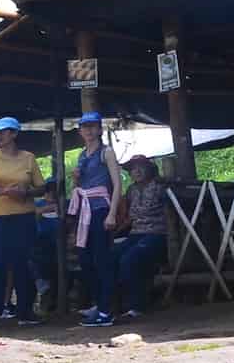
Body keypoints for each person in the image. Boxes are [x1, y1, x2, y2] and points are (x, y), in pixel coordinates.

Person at [0, 117, 45, 327]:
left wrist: (26, 192)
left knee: (24, 262)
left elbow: (41, 187)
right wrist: (3, 191)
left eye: (3, 132)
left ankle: (25, 310)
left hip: (23, 216)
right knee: (1, 263)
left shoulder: (28, 158)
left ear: (14, 134)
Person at [87, 152, 169, 325]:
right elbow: (130, 218)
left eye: (140, 167)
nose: (136, 171)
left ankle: (136, 306)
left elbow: (171, 212)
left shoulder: (160, 187)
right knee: (110, 257)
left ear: (149, 169)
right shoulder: (131, 190)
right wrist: (116, 232)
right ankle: (108, 305)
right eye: (133, 169)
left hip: (156, 233)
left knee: (130, 259)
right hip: (135, 234)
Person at [56, 110, 119, 315]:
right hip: (84, 211)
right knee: (84, 258)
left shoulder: (106, 152)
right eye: (85, 127)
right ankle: (99, 303)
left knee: (101, 258)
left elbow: (117, 184)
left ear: (99, 129)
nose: (89, 131)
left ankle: (106, 309)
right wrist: (75, 179)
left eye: (92, 127)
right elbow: (79, 184)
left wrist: (112, 214)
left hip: (100, 208)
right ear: (81, 131)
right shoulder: (82, 155)